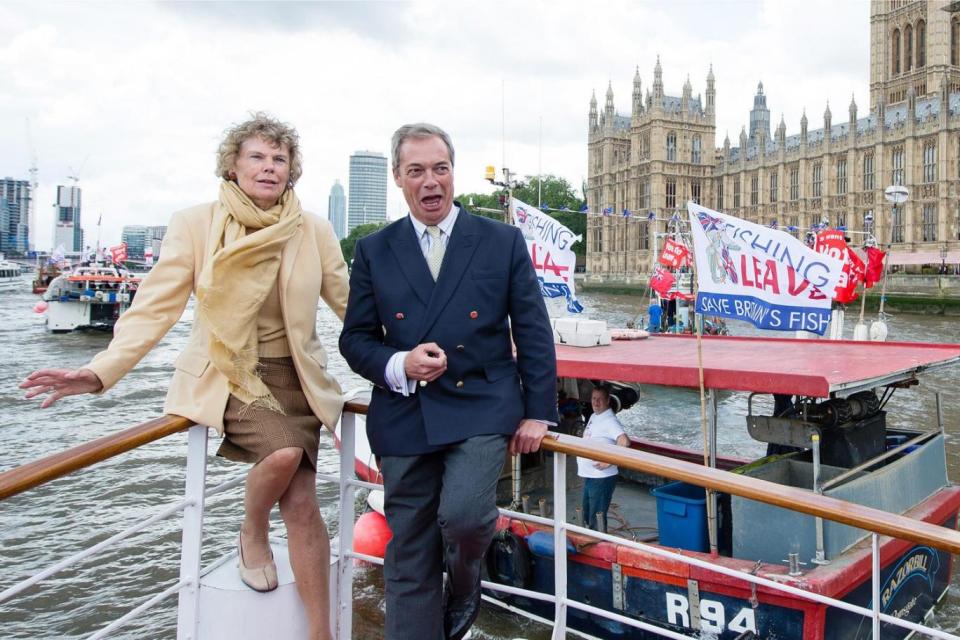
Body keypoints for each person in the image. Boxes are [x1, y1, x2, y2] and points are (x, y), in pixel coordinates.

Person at [20, 113, 348, 640]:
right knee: (284, 455)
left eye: (279, 159)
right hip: (231, 373)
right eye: (257, 157)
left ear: (292, 171)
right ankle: (251, 526)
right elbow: (155, 308)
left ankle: (321, 634)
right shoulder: (196, 224)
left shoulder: (313, 229)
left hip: (298, 375)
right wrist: (98, 371)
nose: (268, 167)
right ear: (233, 166)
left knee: (305, 505)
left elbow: (351, 305)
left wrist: (406, 355)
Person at [339, 122, 557, 640]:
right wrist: (401, 364)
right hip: (404, 411)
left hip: (482, 403)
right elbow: (356, 340)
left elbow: (532, 331)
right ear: (399, 178)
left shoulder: (500, 241)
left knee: (463, 516)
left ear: (452, 172)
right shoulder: (375, 250)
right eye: (417, 171)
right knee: (409, 550)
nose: (431, 181)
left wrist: (538, 410)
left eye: (440, 168)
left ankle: (464, 581)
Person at [578, 385, 630, 531]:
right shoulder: (595, 416)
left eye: (600, 399)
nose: (596, 402)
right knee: (588, 512)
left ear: (608, 400)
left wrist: (610, 461)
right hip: (590, 475)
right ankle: (590, 540)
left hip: (601, 477)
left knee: (597, 516)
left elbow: (624, 441)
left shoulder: (609, 420)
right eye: (594, 398)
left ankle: (599, 546)